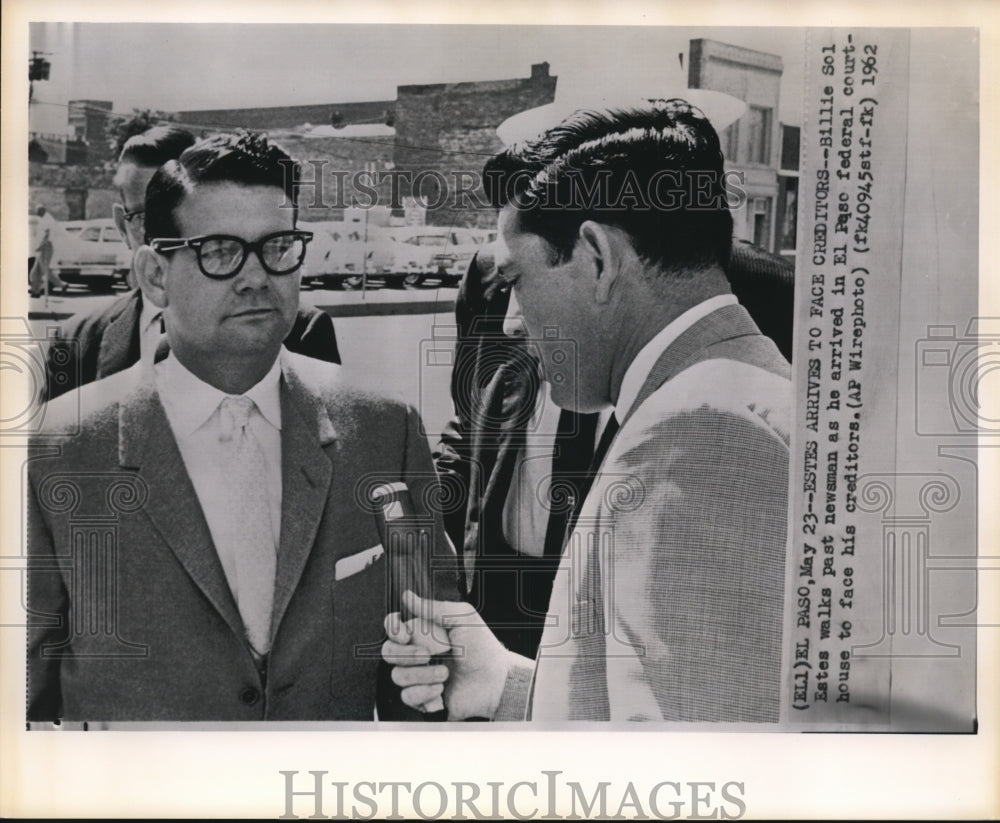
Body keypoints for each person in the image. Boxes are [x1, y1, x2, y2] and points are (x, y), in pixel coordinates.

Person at [27, 131, 459, 722]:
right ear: (155, 275)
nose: (257, 276)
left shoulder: (385, 429)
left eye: (278, 246)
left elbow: (433, 658)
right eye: (220, 250)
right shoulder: (61, 449)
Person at [387, 100, 792, 723]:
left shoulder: (696, 433)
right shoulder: (736, 383)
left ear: (598, 259)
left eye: (518, 281)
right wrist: (505, 683)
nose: (514, 319)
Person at [434, 239, 793, 660]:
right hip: (495, 598)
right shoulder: (495, 269)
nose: (513, 322)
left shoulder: (751, 283)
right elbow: (467, 418)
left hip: (621, 621)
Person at [44, 125, 340, 403]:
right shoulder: (76, 341)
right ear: (122, 226)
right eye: (149, 218)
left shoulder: (299, 330)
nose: (162, 235)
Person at [28, 205, 67, 297]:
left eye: (38, 211)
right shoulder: (43, 219)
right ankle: (35, 291)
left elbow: (47, 236)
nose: (36, 212)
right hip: (42, 248)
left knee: (45, 269)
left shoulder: (47, 220)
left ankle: (62, 284)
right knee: (35, 272)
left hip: (46, 247)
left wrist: (40, 246)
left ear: (42, 211)